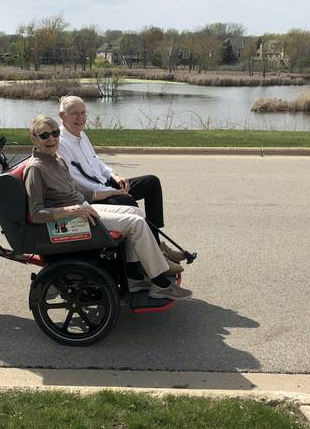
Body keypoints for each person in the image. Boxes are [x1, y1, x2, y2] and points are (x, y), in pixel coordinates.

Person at [23, 115, 191, 300]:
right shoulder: (36, 168)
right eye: (44, 135)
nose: (52, 139)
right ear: (34, 138)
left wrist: (109, 193)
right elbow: (36, 213)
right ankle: (160, 283)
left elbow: (77, 192)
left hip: (83, 209)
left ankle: (134, 276)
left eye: (55, 133)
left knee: (137, 212)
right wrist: (72, 211)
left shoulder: (57, 160)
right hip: (71, 220)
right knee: (135, 223)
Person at [57, 95, 185, 264]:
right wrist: (112, 191)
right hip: (94, 194)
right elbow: (78, 181)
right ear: (62, 115)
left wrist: (114, 175)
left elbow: (96, 161)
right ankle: (151, 254)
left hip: (105, 183)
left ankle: (155, 243)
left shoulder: (81, 135)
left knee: (151, 183)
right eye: (75, 113)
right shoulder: (60, 143)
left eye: (83, 113)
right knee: (127, 201)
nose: (80, 118)